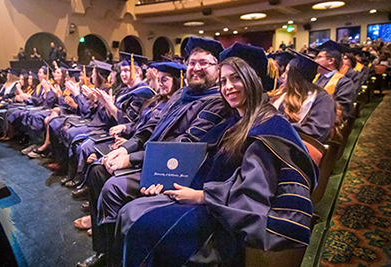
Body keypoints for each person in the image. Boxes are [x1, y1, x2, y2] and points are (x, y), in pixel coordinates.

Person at [116, 48, 317, 267]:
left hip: (231, 216)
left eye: (236, 78)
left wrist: (202, 196)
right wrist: (163, 181)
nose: (228, 87)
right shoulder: (234, 121)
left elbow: (252, 195)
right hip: (214, 199)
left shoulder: (268, 129)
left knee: (140, 224)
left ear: (255, 80)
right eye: (223, 81)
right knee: (130, 211)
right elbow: (203, 162)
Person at [74, 36, 228, 267]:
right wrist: (125, 149)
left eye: (204, 63)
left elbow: (185, 145)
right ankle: (106, 252)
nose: (196, 68)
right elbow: (149, 129)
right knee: (97, 170)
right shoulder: (180, 95)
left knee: (113, 188)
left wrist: (131, 159)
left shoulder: (216, 102)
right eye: (192, 62)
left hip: (179, 169)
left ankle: (118, 259)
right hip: (153, 158)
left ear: (217, 68)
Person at [269, 52, 336, 142]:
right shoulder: (282, 94)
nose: (283, 76)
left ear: (296, 78)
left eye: (287, 72)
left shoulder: (322, 99)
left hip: (297, 147)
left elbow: (315, 131)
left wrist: (277, 128)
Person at [313, 40, 355, 119]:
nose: (315, 60)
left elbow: (342, 111)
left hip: (326, 124)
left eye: (319, 57)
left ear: (331, 61)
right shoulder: (315, 78)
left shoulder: (345, 83)